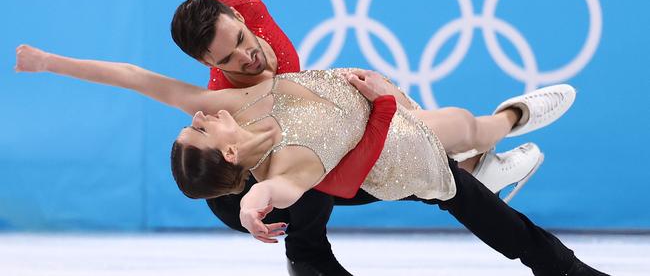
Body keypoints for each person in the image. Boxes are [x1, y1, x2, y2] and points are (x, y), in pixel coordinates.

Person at [99, 0, 544, 274]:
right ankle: (314, 252)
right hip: (237, 189)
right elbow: (139, 80)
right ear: (212, 67)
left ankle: (490, 145)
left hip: (299, 157)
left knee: (441, 129)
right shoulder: (231, 103)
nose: (247, 58)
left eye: (240, 39)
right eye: (229, 60)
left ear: (237, 15)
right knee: (320, 178)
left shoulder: (243, 8)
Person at [15, 44, 607, 275]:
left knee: (446, 128)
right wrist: (256, 201)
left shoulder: (232, 106)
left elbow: (136, 76)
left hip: (349, 148)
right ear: (224, 151)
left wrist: (50, 64)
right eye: (195, 129)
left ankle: (503, 131)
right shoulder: (289, 173)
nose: (194, 114)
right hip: (359, 166)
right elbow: (294, 191)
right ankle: (490, 153)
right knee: (438, 146)